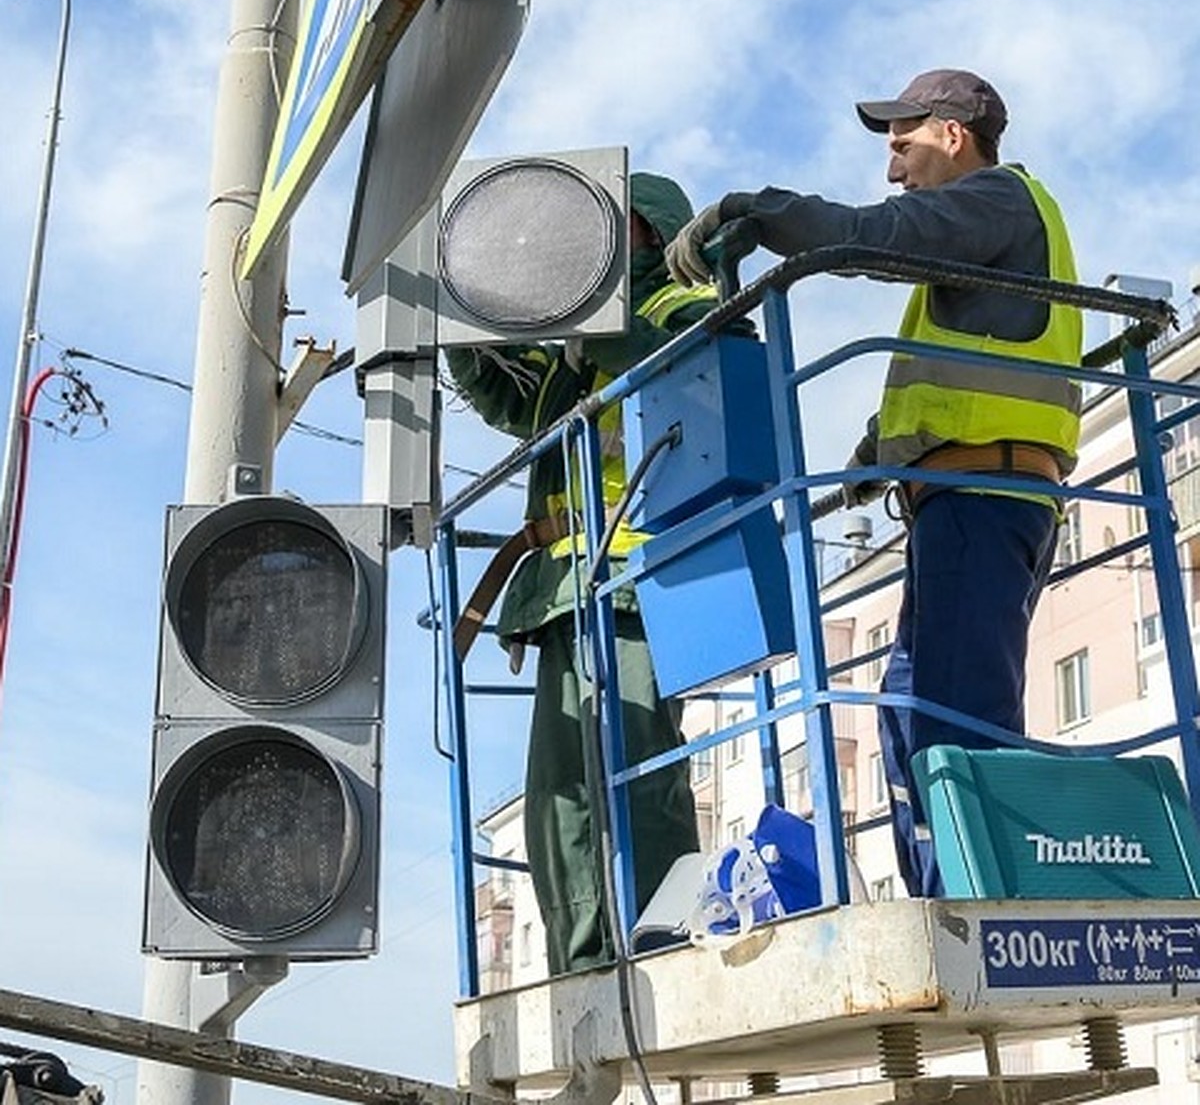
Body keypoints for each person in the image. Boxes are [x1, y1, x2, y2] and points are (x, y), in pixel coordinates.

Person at [665, 69, 1082, 898]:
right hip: (963, 498)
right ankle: (938, 893)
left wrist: (768, 211)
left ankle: (983, 900)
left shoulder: (997, 199)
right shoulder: (985, 232)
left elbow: (878, 235)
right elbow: (963, 372)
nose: (894, 166)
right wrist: (872, 457)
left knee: (957, 715)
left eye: (904, 142)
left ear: (953, 133)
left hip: (984, 496)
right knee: (907, 708)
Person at [446, 172, 728, 973]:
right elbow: (511, 398)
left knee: (642, 778)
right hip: (566, 595)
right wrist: (469, 333)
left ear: (643, 231)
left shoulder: (677, 304)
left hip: (643, 581)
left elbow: (688, 356)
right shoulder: (574, 348)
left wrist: (589, 330)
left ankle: (660, 939)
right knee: (560, 801)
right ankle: (583, 957)